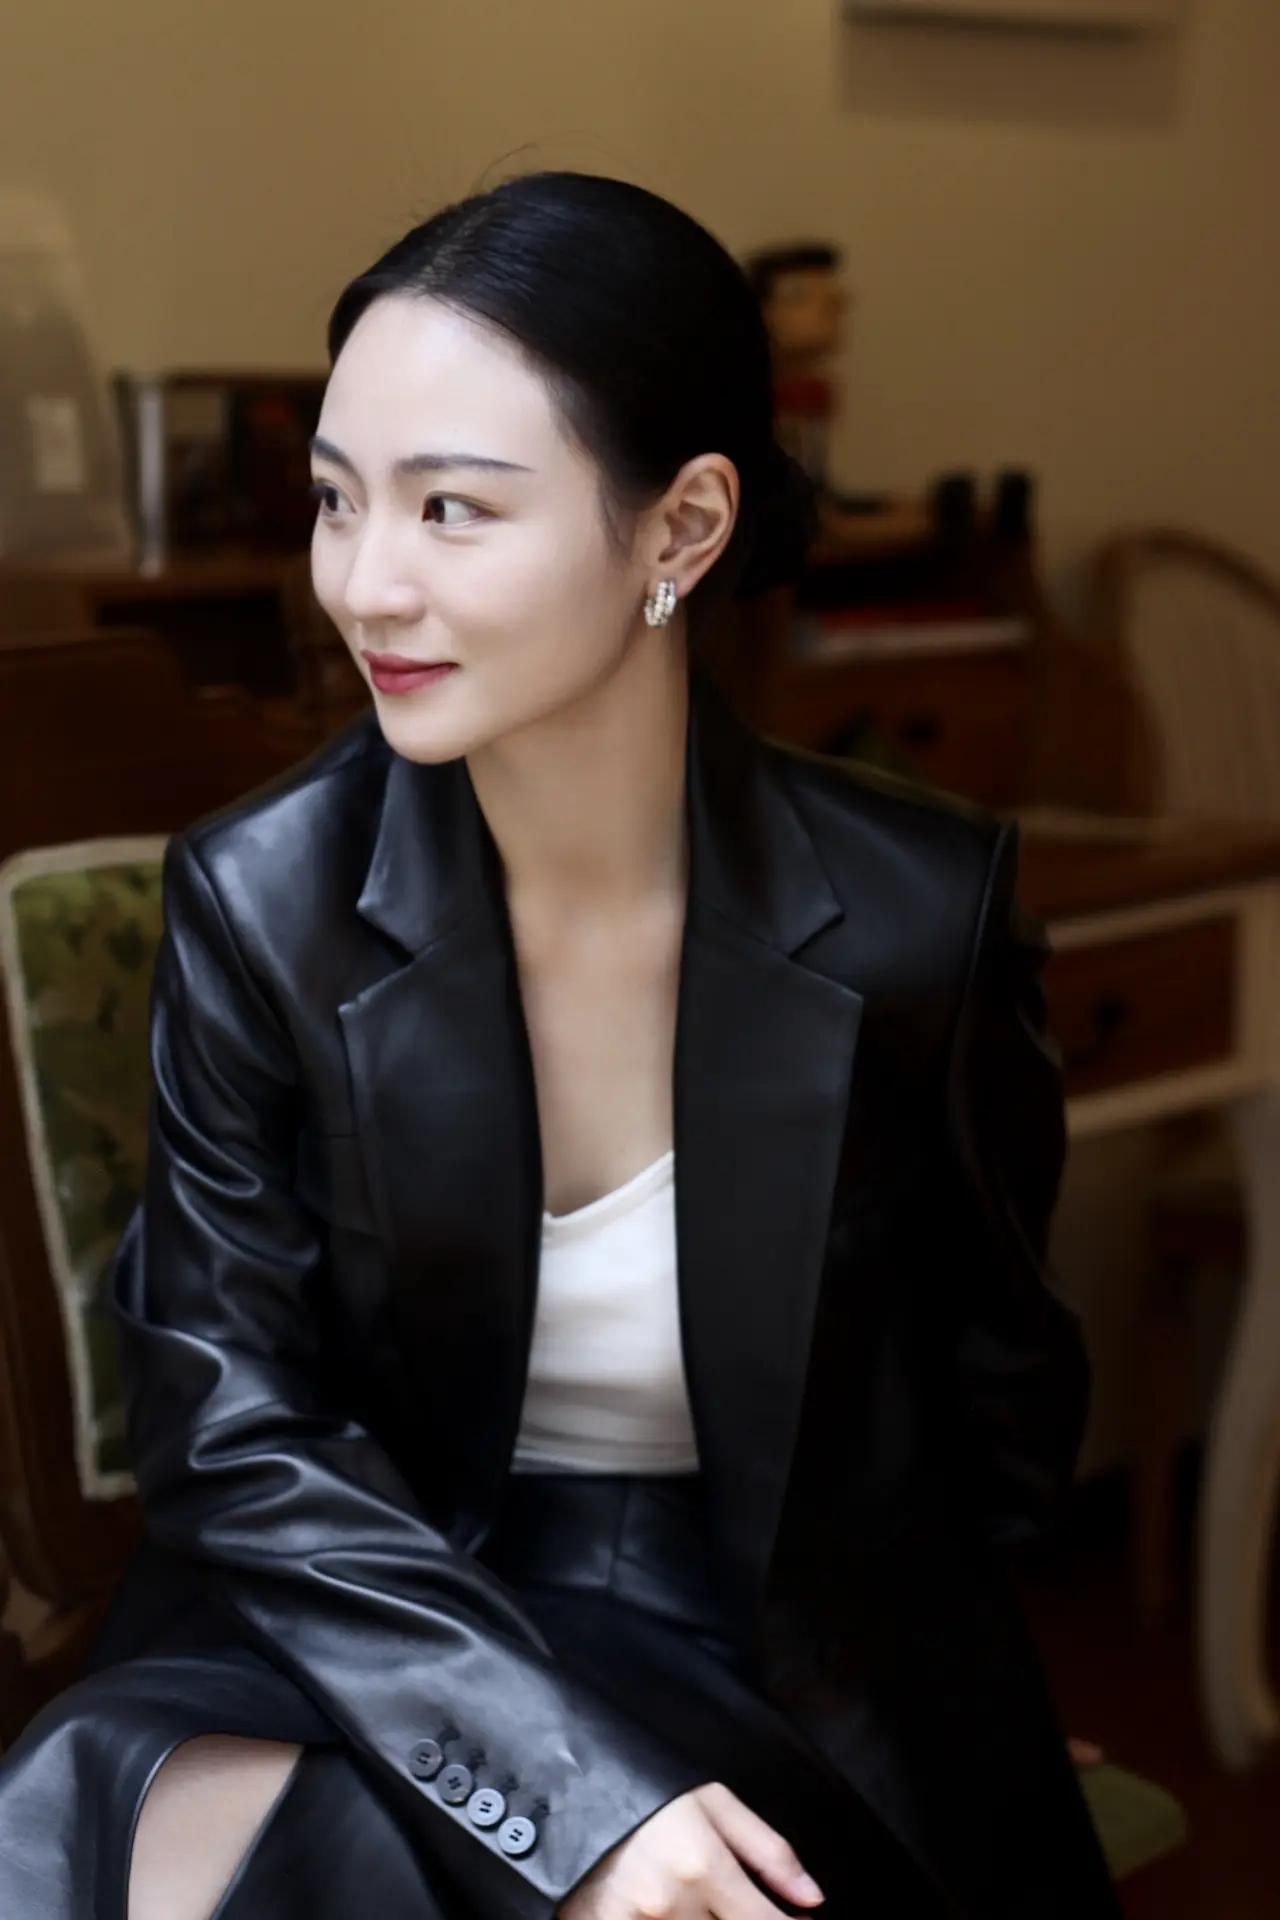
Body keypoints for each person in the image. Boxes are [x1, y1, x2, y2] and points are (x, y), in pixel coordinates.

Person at [0, 169, 1121, 1920]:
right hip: (365, 1603)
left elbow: (1002, 1406)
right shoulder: (264, 902)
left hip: (777, 1641)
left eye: (452, 508)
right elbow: (226, 1419)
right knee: (104, 1811)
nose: (365, 583)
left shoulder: (916, 916)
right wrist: (571, 1796)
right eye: (336, 500)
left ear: (681, 529)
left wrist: (947, 1705)